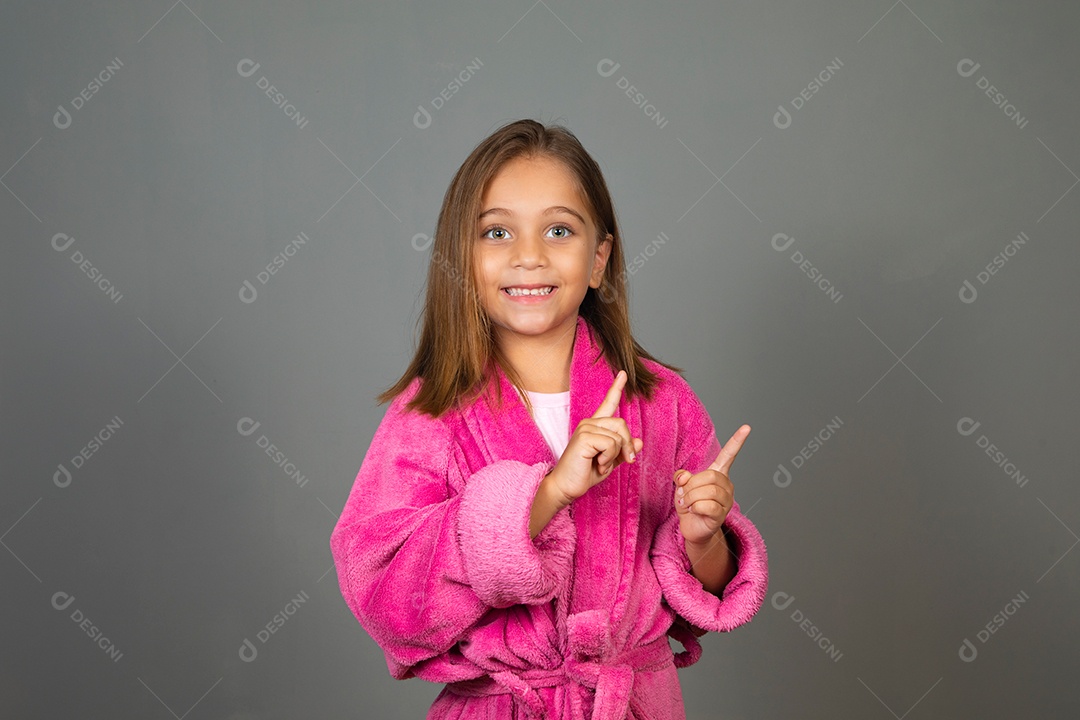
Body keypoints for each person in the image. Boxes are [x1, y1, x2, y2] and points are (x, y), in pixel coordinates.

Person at [330, 118, 768, 719]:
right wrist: (548, 493)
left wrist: (704, 537)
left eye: (558, 230)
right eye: (497, 232)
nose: (529, 256)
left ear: (598, 259)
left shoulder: (661, 401)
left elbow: (711, 590)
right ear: (463, 258)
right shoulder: (430, 412)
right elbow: (384, 590)